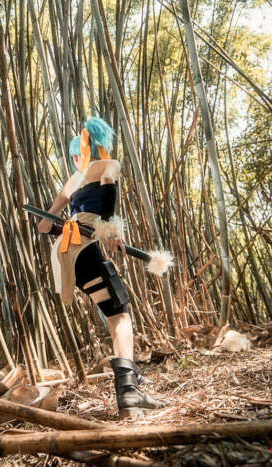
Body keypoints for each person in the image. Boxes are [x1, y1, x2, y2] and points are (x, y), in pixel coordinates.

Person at [38, 117, 167, 418]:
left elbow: (44, 226)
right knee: (121, 315)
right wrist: (109, 229)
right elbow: (108, 189)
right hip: (85, 248)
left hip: (66, 256)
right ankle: (129, 393)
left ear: (79, 154)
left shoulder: (73, 181)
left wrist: (64, 224)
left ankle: (132, 385)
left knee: (112, 312)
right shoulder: (108, 165)